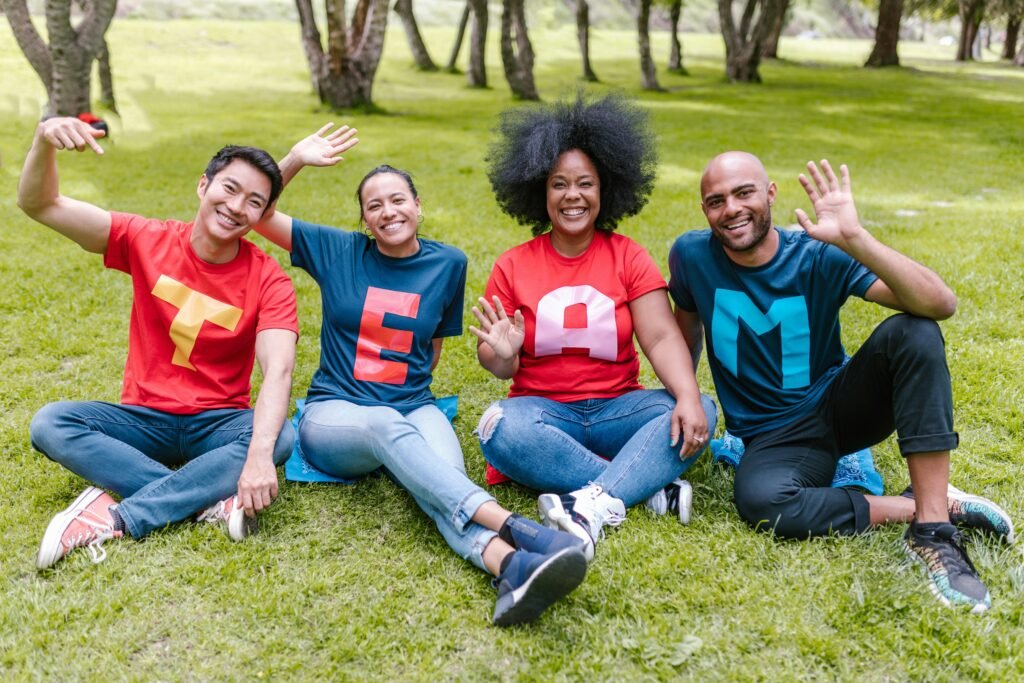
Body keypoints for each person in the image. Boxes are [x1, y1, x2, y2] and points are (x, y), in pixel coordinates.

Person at [251, 124, 588, 626]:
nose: (388, 212)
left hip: (413, 406)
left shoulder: (448, 264)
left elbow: (430, 349)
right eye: (374, 206)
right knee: (387, 428)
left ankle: (510, 564)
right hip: (334, 416)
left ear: (417, 204)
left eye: (397, 200)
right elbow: (257, 212)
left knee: (445, 482)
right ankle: (520, 528)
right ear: (364, 219)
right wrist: (295, 158)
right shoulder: (337, 251)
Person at [668, 152, 1014, 612]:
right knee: (760, 502)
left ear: (770, 193)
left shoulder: (818, 253)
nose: (730, 208)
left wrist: (854, 237)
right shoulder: (691, 256)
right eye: (716, 200)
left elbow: (940, 303)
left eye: (744, 192)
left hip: (841, 407)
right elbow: (684, 333)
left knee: (914, 330)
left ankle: (932, 532)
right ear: (705, 210)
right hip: (773, 437)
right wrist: (685, 397)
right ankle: (920, 504)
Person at [19, 117, 300, 570]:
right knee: (51, 423)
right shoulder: (146, 239)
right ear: (202, 185)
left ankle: (121, 515)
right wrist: (43, 140)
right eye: (228, 189)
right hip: (143, 421)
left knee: (279, 436)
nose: (235, 207)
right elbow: (41, 203)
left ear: (261, 215)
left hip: (218, 425)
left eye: (254, 202)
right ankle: (208, 501)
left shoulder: (270, 279)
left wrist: (261, 456)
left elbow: (280, 372)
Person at [472, 94, 718, 562]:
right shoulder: (513, 265)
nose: (572, 196)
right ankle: (640, 487)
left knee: (701, 406)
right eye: (558, 184)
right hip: (543, 415)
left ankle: (592, 500)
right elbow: (498, 366)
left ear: (605, 190)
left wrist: (686, 396)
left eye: (585, 184)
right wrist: (503, 353)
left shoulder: (628, 255)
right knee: (498, 428)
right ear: (538, 191)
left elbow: (663, 337)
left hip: (617, 414)